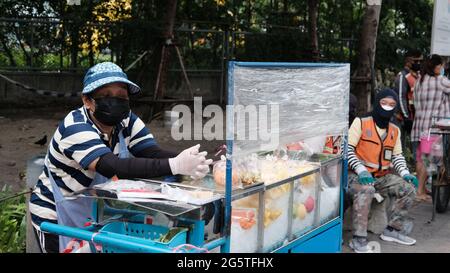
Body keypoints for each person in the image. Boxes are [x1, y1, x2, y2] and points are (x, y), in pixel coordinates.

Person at [29, 62, 212, 253]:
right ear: (88, 101)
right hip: (55, 214)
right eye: (106, 96)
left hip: (91, 210)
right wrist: (175, 165)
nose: (115, 102)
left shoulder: (126, 120)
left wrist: (194, 160)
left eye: (121, 96)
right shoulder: (75, 127)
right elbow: (112, 166)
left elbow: (151, 152)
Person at [347, 88, 418, 253]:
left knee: (407, 188)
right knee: (366, 189)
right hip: (356, 176)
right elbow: (347, 150)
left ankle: (392, 230)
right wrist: (361, 170)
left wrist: (406, 174)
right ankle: (359, 238)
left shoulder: (394, 129)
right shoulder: (361, 122)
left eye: (392, 104)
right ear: (377, 103)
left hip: (380, 177)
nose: (387, 107)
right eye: (384, 103)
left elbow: (397, 156)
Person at [411, 54, 450, 202]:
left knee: (422, 158)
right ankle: (420, 191)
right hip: (434, 127)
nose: (441, 68)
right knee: (428, 160)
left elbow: (414, 102)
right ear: (436, 66)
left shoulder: (420, 81)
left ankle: (421, 188)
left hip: (419, 125)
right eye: (440, 66)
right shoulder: (440, 81)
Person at [394, 50, 423, 153]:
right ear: (408, 61)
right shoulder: (402, 76)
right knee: (399, 147)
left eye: (420, 61)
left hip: (414, 118)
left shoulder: (418, 76)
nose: (418, 63)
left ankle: (414, 167)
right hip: (402, 118)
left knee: (417, 148)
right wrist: (406, 117)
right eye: (416, 61)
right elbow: (400, 97)